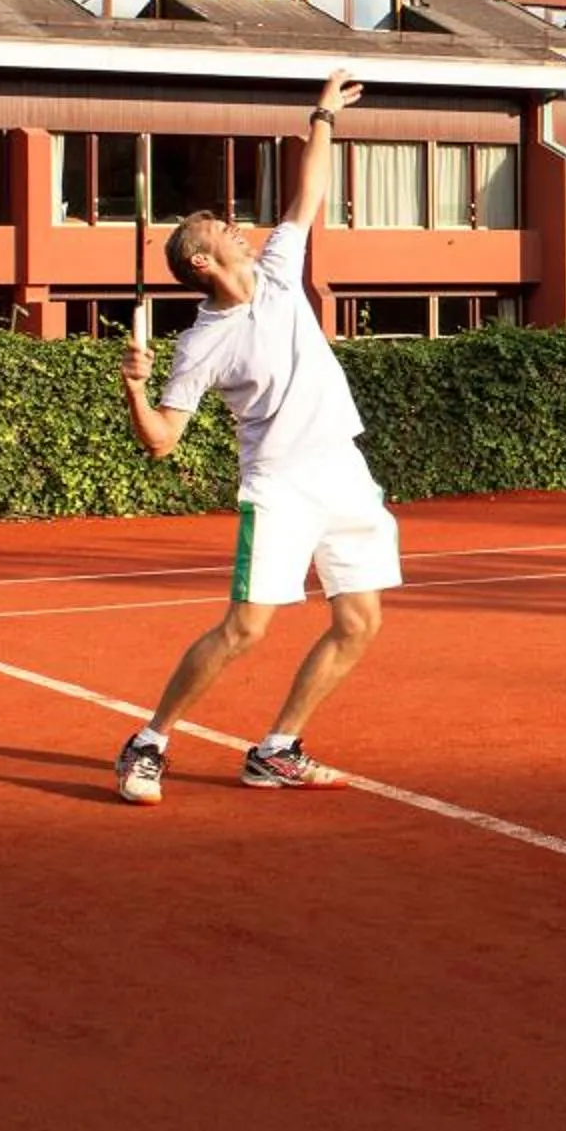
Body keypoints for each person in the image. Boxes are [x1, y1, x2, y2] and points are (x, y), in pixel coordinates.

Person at [110, 70, 399, 805]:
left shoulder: (277, 271)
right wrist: (136, 389)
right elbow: (163, 441)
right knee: (245, 629)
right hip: (280, 486)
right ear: (202, 261)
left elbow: (309, 194)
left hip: (343, 470)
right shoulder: (201, 344)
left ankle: (276, 750)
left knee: (359, 622)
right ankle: (149, 742)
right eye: (217, 228)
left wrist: (323, 117)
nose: (234, 226)